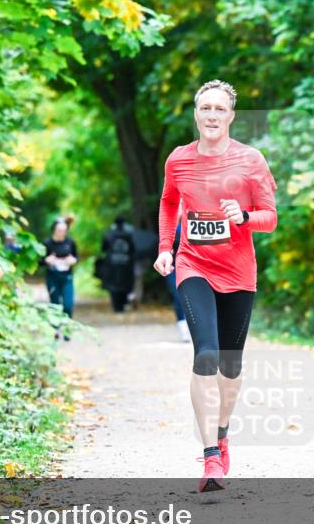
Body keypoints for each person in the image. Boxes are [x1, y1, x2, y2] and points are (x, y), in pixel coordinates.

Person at [153, 79, 277, 493]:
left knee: (230, 365)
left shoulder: (251, 160)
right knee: (205, 353)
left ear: (231, 116)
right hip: (193, 264)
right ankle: (209, 457)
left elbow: (270, 217)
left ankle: (222, 435)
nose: (211, 115)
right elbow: (169, 202)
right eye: (205, 108)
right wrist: (166, 248)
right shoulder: (179, 160)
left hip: (239, 272)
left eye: (219, 109)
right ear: (195, 113)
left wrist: (242, 216)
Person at [41, 217, 78, 327]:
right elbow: (39, 261)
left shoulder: (70, 243)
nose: (62, 233)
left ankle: (67, 326)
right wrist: (47, 260)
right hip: (52, 277)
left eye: (64, 231)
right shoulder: (47, 243)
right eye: (59, 230)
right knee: (55, 303)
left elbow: (76, 257)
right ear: (54, 230)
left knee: (68, 304)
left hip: (67, 277)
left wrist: (72, 261)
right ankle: (56, 328)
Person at [101, 215, 137, 313]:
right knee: (125, 285)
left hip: (111, 265)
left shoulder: (109, 234)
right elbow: (133, 250)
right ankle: (122, 305)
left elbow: (103, 248)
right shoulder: (128, 235)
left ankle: (116, 306)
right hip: (126, 265)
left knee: (113, 286)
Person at [166, 220, 191, 342]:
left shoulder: (192, 224)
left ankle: (193, 327)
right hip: (174, 268)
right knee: (178, 296)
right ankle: (183, 329)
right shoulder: (169, 228)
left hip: (191, 267)